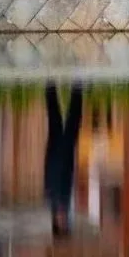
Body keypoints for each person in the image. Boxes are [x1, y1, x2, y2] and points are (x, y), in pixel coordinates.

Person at [45, 82, 83, 238]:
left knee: (63, 119)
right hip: (65, 154)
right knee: (62, 119)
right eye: (65, 224)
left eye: (62, 224)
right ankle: (57, 87)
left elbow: (51, 174)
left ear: (55, 221)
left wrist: (56, 152)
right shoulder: (63, 204)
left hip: (59, 153)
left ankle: (54, 86)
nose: (64, 220)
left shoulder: (55, 200)